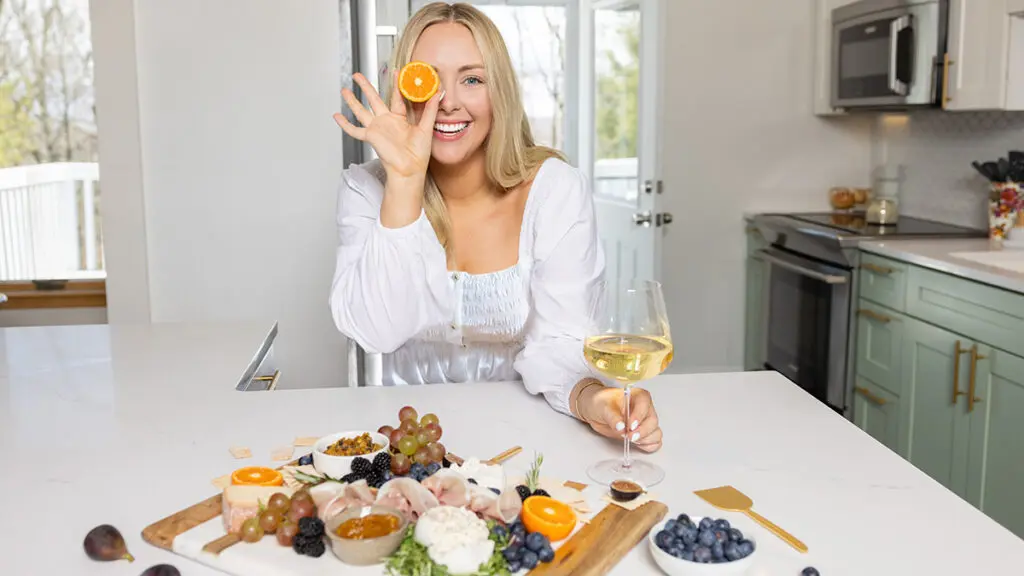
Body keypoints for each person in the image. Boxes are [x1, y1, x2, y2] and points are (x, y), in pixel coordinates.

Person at [329, 2, 662, 452]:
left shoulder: (553, 191)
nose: (448, 102)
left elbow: (560, 344)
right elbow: (377, 332)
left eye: (472, 79)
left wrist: (593, 399)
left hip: (526, 436)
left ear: (499, 91)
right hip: (396, 442)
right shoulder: (366, 190)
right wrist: (404, 183)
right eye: (428, 78)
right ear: (404, 89)